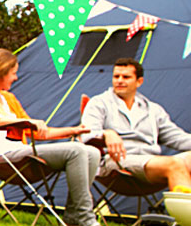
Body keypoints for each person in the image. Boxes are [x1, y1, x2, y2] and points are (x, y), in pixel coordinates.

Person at [0, 49, 113, 226]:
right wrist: (24, 123)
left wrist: (74, 130)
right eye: (13, 72)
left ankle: (72, 218)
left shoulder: (8, 98)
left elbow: (37, 133)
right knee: (76, 151)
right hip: (0, 156)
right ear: (1, 71)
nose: (16, 77)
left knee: (91, 151)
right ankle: (87, 220)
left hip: (22, 151)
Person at [81, 57, 191, 193]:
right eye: (116, 76)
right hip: (117, 163)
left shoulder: (153, 109)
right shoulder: (99, 103)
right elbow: (85, 134)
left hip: (152, 162)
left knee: (182, 161)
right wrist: (106, 134)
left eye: (126, 77)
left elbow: (177, 138)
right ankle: (186, 213)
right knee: (175, 163)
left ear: (139, 82)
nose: (119, 80)